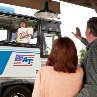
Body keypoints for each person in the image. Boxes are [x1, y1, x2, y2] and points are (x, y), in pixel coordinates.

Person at [72, 17, 97, 97]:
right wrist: (80, 38)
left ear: (89, 31)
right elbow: (91, 45)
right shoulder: (94, 47)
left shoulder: (93, 51)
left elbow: (93, 87)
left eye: (86, 29)